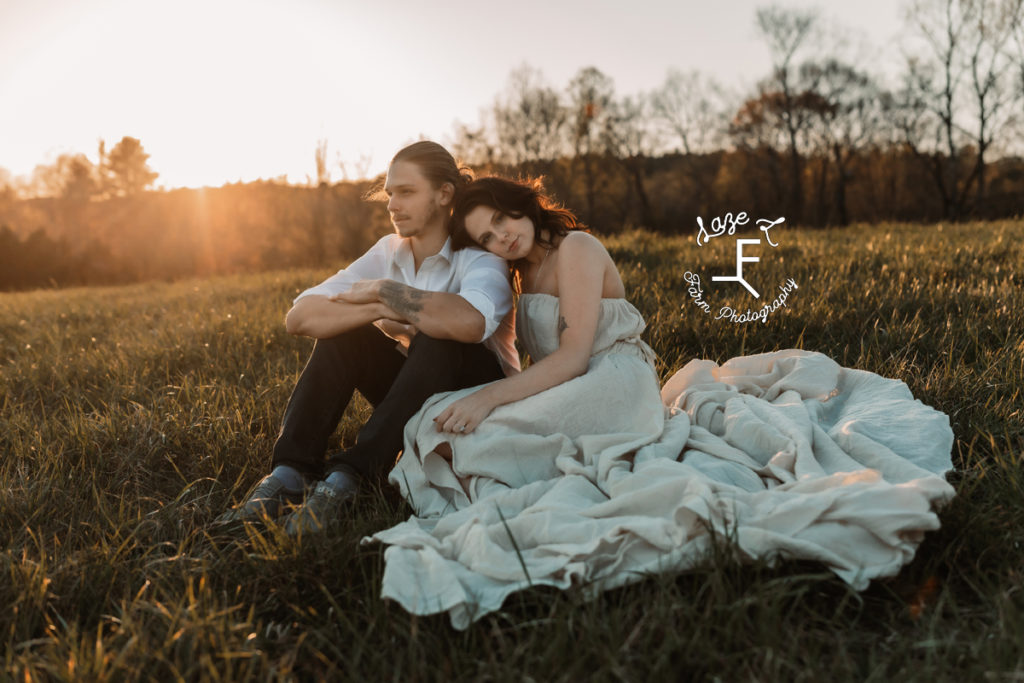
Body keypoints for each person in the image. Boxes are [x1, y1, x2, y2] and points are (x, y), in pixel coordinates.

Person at [369, 176, 956, 630]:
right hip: (574, 383)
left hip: (613, 379)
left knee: (481, 427)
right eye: (488, 238)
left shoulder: (575, 246)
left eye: (503, 219)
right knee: (464, 424)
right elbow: (533, 363)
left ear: (522, 203)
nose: (504, 237)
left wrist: (492, 398)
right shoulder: (522, 275)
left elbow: (573, 356)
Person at [215, 142, 519, 535]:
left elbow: (469, 323)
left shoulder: (479, 257)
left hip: (481, 402)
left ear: (444, 194)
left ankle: (351, 479)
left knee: (437, 333)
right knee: (347, 335)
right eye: (390, 193)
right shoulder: (389, 250)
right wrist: (377, 309)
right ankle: (292, 473)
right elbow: (301, 316)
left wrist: (383, 291)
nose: (392, 204)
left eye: (406, 192)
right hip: (421, 390)